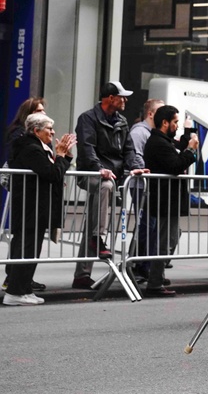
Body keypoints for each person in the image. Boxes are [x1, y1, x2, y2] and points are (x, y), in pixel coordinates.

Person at [73, 81, 146, 290]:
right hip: (92, 173)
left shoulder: (122, 121)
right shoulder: (87, 118)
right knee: (105, 187)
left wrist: (137, 166)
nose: (125, 100)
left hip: (115, 176)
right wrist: (99, 169)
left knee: (95, 218)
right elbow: (87, 149)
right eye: (122, 96)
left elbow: (129, 150)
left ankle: (81, 274)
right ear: (110, 98)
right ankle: (99, 238)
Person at [3, 113, 74, 305]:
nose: (52, 132)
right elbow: (51, 173)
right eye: (48, 129)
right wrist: (60, 156)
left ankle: (24, 289)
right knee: (25, 249)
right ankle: (15, 292)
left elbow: (55, 172)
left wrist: (64, 157)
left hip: (35, 208)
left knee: (32, 250)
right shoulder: (30, 149)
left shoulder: (38, 148)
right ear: (36, 131)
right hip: (29, 208)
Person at [141, 105, 199, 297]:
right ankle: (154, 282)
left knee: (170, 238)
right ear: (164, 123)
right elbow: (175, 164)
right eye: (175, 122)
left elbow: (178, 148)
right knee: (165, 241)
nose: (177, 126)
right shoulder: (157, 143)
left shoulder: (163, 141)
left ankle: (157, 276)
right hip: (164, 200)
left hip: (168, 200)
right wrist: (190, 151)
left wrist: (189, 132)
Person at [128, 98, 164, 281]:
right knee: (147, 224)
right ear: (150, 113)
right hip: (141, 185)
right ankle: (139, 265)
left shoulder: (153, 132)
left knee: (152, 225)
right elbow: (136, 156)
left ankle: (144, 263)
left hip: (150, 185)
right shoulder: (139, 132)